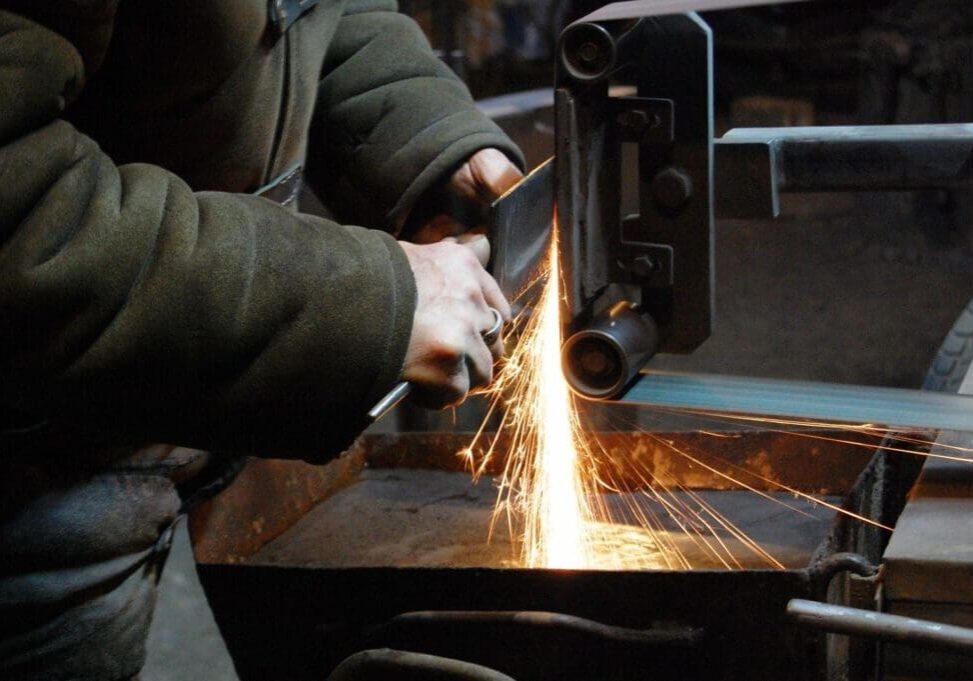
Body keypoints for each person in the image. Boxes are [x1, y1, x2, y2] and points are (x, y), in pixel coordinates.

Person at [0, 1, 525, 679]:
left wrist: (426, 143)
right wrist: (362, 299)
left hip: (158, 403)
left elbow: (328, 15)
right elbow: (20, 215)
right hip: (31, 485)